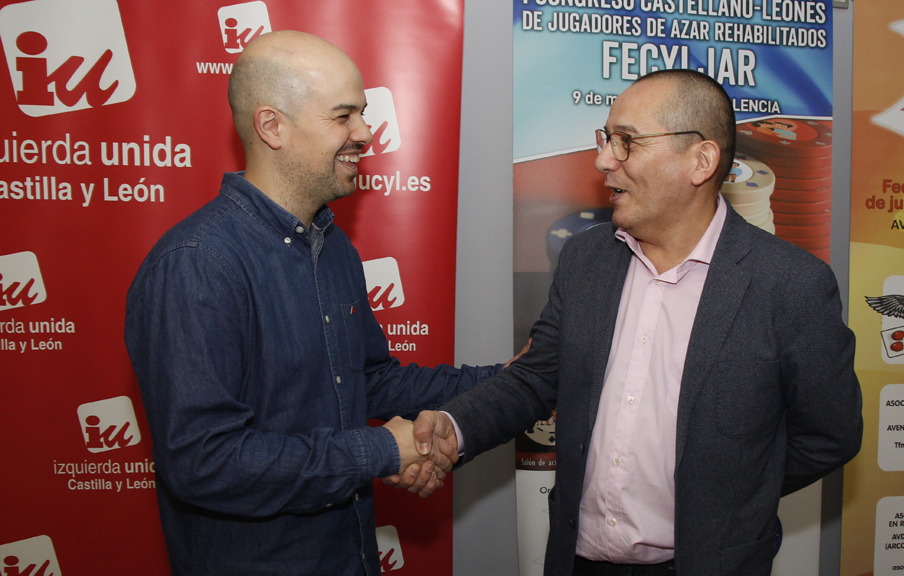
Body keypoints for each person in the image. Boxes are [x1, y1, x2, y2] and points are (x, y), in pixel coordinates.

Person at [415, 69, 863, 576]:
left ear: (700, 161)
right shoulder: (587, 259)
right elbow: (537, 376)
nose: (604, 160)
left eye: (626, 142)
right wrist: (455, 427)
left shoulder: (791, 285)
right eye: (607, 139)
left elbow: (831, 434)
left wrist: (732, 495)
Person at [124, 31, 505, 576]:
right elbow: (203, 462)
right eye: (344, 116)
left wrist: (512, 378)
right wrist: (381, 452)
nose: (366, 133)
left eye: (364, 114)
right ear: (272, 126)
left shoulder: (332, 248)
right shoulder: (198, 264)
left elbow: (371, 381)